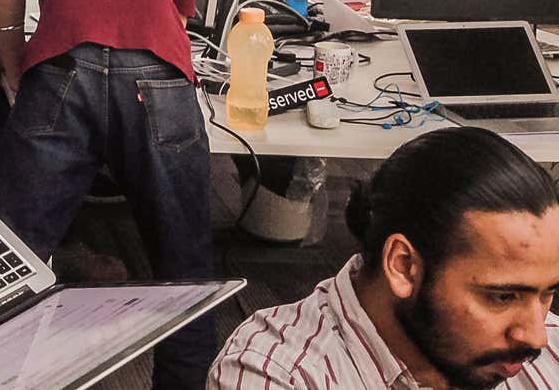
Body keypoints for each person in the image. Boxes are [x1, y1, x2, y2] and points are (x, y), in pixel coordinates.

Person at [0, 0, 206, 390]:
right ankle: (182, 380)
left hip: (64, 68)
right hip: (157, 76)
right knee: (183, 251)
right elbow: (179, 20)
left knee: (15, 248)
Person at [211, 127, 559, 390]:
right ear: (404, 266)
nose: (536, 337)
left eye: (548, 294)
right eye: (502, 297)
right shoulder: (278, 374)